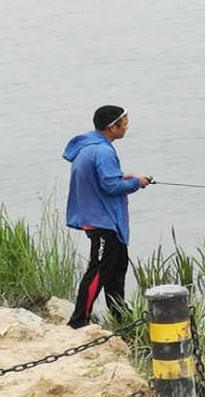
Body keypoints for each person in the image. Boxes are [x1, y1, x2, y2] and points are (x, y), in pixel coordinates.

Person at [62, 105, 150, 329]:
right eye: (125, 124)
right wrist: (136, 182)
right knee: (98, 271)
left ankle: (121, 316)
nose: (127, 127)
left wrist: (124, 178)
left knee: (116, 269)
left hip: (106, 221)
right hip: (102, 222)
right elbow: (110, 186)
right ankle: (78, 323)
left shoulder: (90, 146)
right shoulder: (103, 151)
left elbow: (103, 179)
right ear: (113, 126)